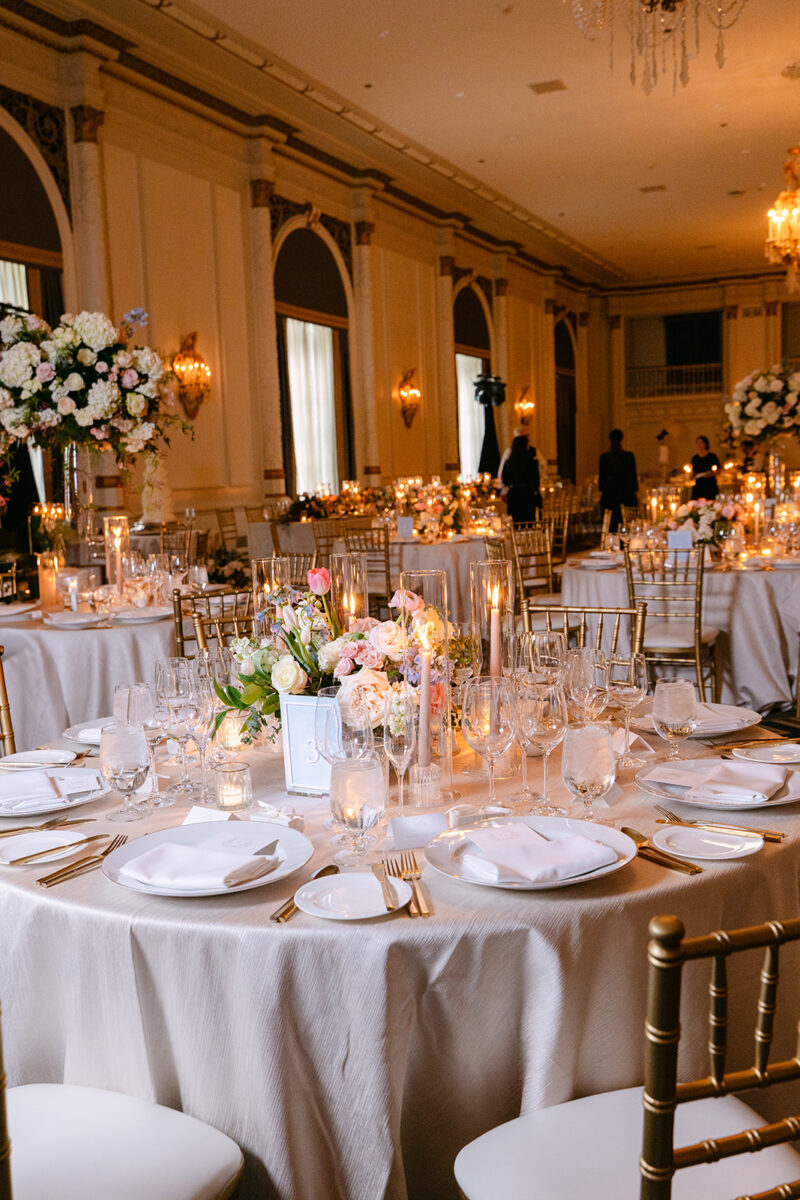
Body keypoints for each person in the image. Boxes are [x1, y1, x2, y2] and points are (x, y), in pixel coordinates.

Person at [598, 429, 638, 532]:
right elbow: (633, 480)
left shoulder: (604, 458)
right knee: (627, 527)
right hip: (627, 497)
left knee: (611, 529)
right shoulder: (629, 456)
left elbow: (601, 482)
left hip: (609, 498)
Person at [501, 430, 542, 524]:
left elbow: (505, 480)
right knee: (528, 525)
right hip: (528, 497)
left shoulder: (508, 463)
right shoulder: (531, 462)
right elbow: (536, 481)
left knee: (515, 524)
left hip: (513, 496)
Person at [691, 435, 720, 501]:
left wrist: (712, 474)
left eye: (701, 442)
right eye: (697, 443)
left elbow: (719, 469)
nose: (699, 444)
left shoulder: (712, 456)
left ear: (705, 443)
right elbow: (694, 472)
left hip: (710, 484)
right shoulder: (695, 458)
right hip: (699, 484)